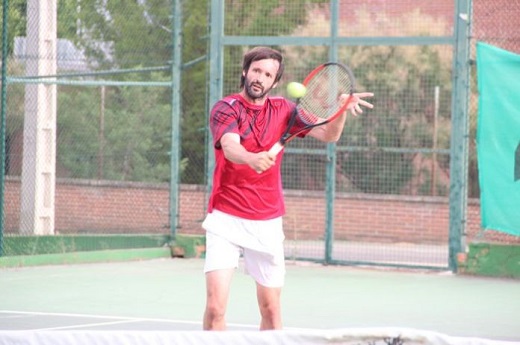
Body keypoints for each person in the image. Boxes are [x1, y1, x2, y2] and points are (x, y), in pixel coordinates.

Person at [202, 46, 374, 331]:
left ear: (275, 81)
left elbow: (329, 134)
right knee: (215, 308)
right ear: (245, 72)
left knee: (270, 310)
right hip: (226, 218)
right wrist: (251, 158)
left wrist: (341, 109)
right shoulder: (226, 108)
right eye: (256, 70)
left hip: (267, 221)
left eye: (268, 74)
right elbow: (231, 147)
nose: (260, 78)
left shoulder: (285, 110)